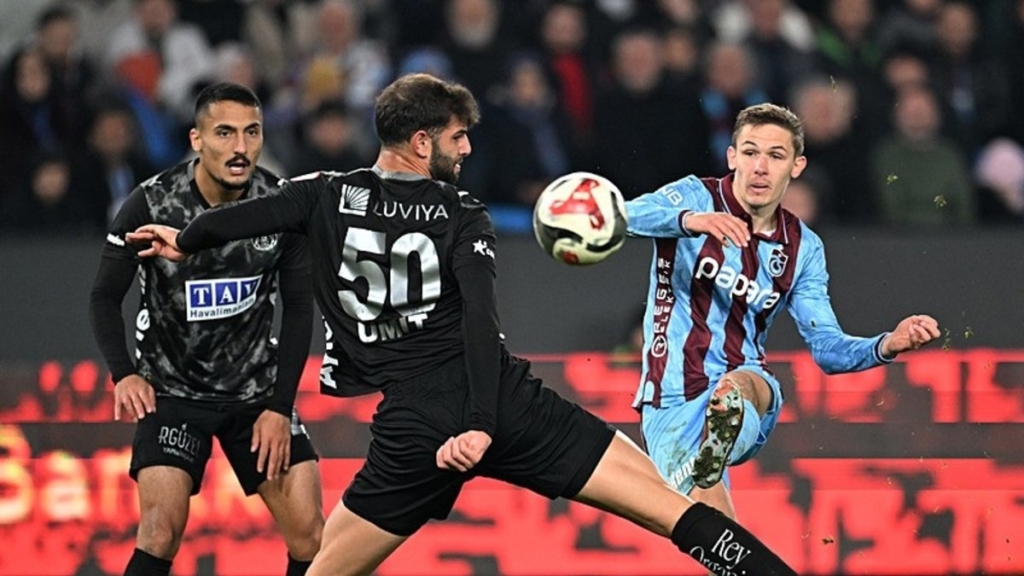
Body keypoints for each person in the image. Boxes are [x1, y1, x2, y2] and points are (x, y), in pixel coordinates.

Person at [126, 73, 798, 576]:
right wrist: (479, 422)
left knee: (324, 570)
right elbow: (481, 321)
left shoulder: (322, 193)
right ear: (421, 142)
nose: (468, 147)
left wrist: (186, 240)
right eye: (457, 137)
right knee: (673, 509)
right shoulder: (461, 213)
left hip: (417, 428)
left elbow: (243, 216)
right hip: (501, 402)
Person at [625, 102, 942, 521]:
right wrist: (689, 221)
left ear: (796, 166)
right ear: (732, 156)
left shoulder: (803, 248)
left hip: (746, 390)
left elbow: (827, 348)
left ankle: (726, 416)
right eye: (750, 152)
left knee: (740, 385)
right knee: (713, 535)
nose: (760, 168)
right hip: (670, 401)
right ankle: (713, 468)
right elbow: (622, 217)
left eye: (775, 156)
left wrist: (887, 344)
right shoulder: (694, 196)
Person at [88, 82, 324, 576]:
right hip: (172, 393)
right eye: (225, 133)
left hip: (256, 394)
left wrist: (279, 407)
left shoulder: (281, 204)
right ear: (196, 139)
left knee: (312, 536)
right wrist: (124, 374)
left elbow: (300, 307)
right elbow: (105, 296)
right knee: (159, 532)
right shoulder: (152, 202)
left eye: (251, 132)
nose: (240, 147)